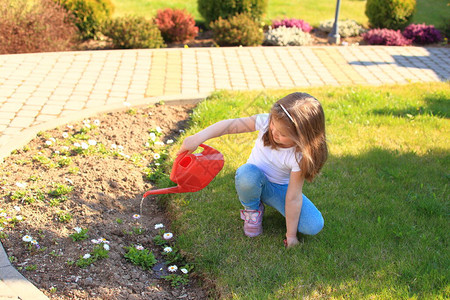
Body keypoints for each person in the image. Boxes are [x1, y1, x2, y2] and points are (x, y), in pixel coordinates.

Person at [177, 92, 328, 248]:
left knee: (313, 225)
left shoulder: (299, 155)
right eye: (273, 124)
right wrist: (196, 138)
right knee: (247, 175)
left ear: (303, 137)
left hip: (278, 189)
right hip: (252, 178)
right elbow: (229, 126)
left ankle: (265, 199)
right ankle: (252, 209)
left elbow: (293, 197)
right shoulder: (265, 122)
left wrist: (291, 236)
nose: (274, 132)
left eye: (283, 134)